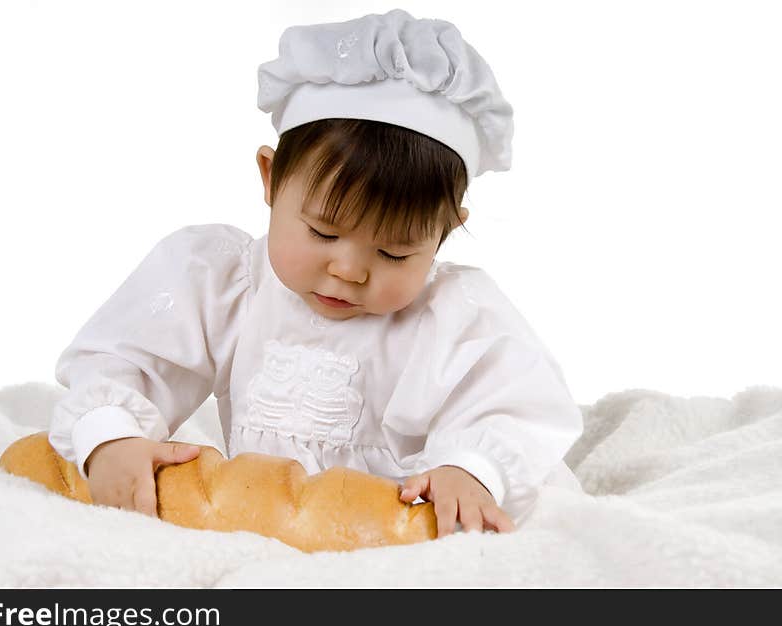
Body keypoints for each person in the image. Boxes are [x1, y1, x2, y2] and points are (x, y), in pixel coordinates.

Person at [48, 8, 584, 539]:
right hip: (261, 525)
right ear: (270, 178)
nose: (348, 270)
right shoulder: (226, 282)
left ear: (443, 231)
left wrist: (472, 471)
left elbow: (516, 405)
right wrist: (110, 434)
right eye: (324, 233)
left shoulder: (454, 316)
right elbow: (128, 356)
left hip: (396, 541)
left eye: (395, 254)